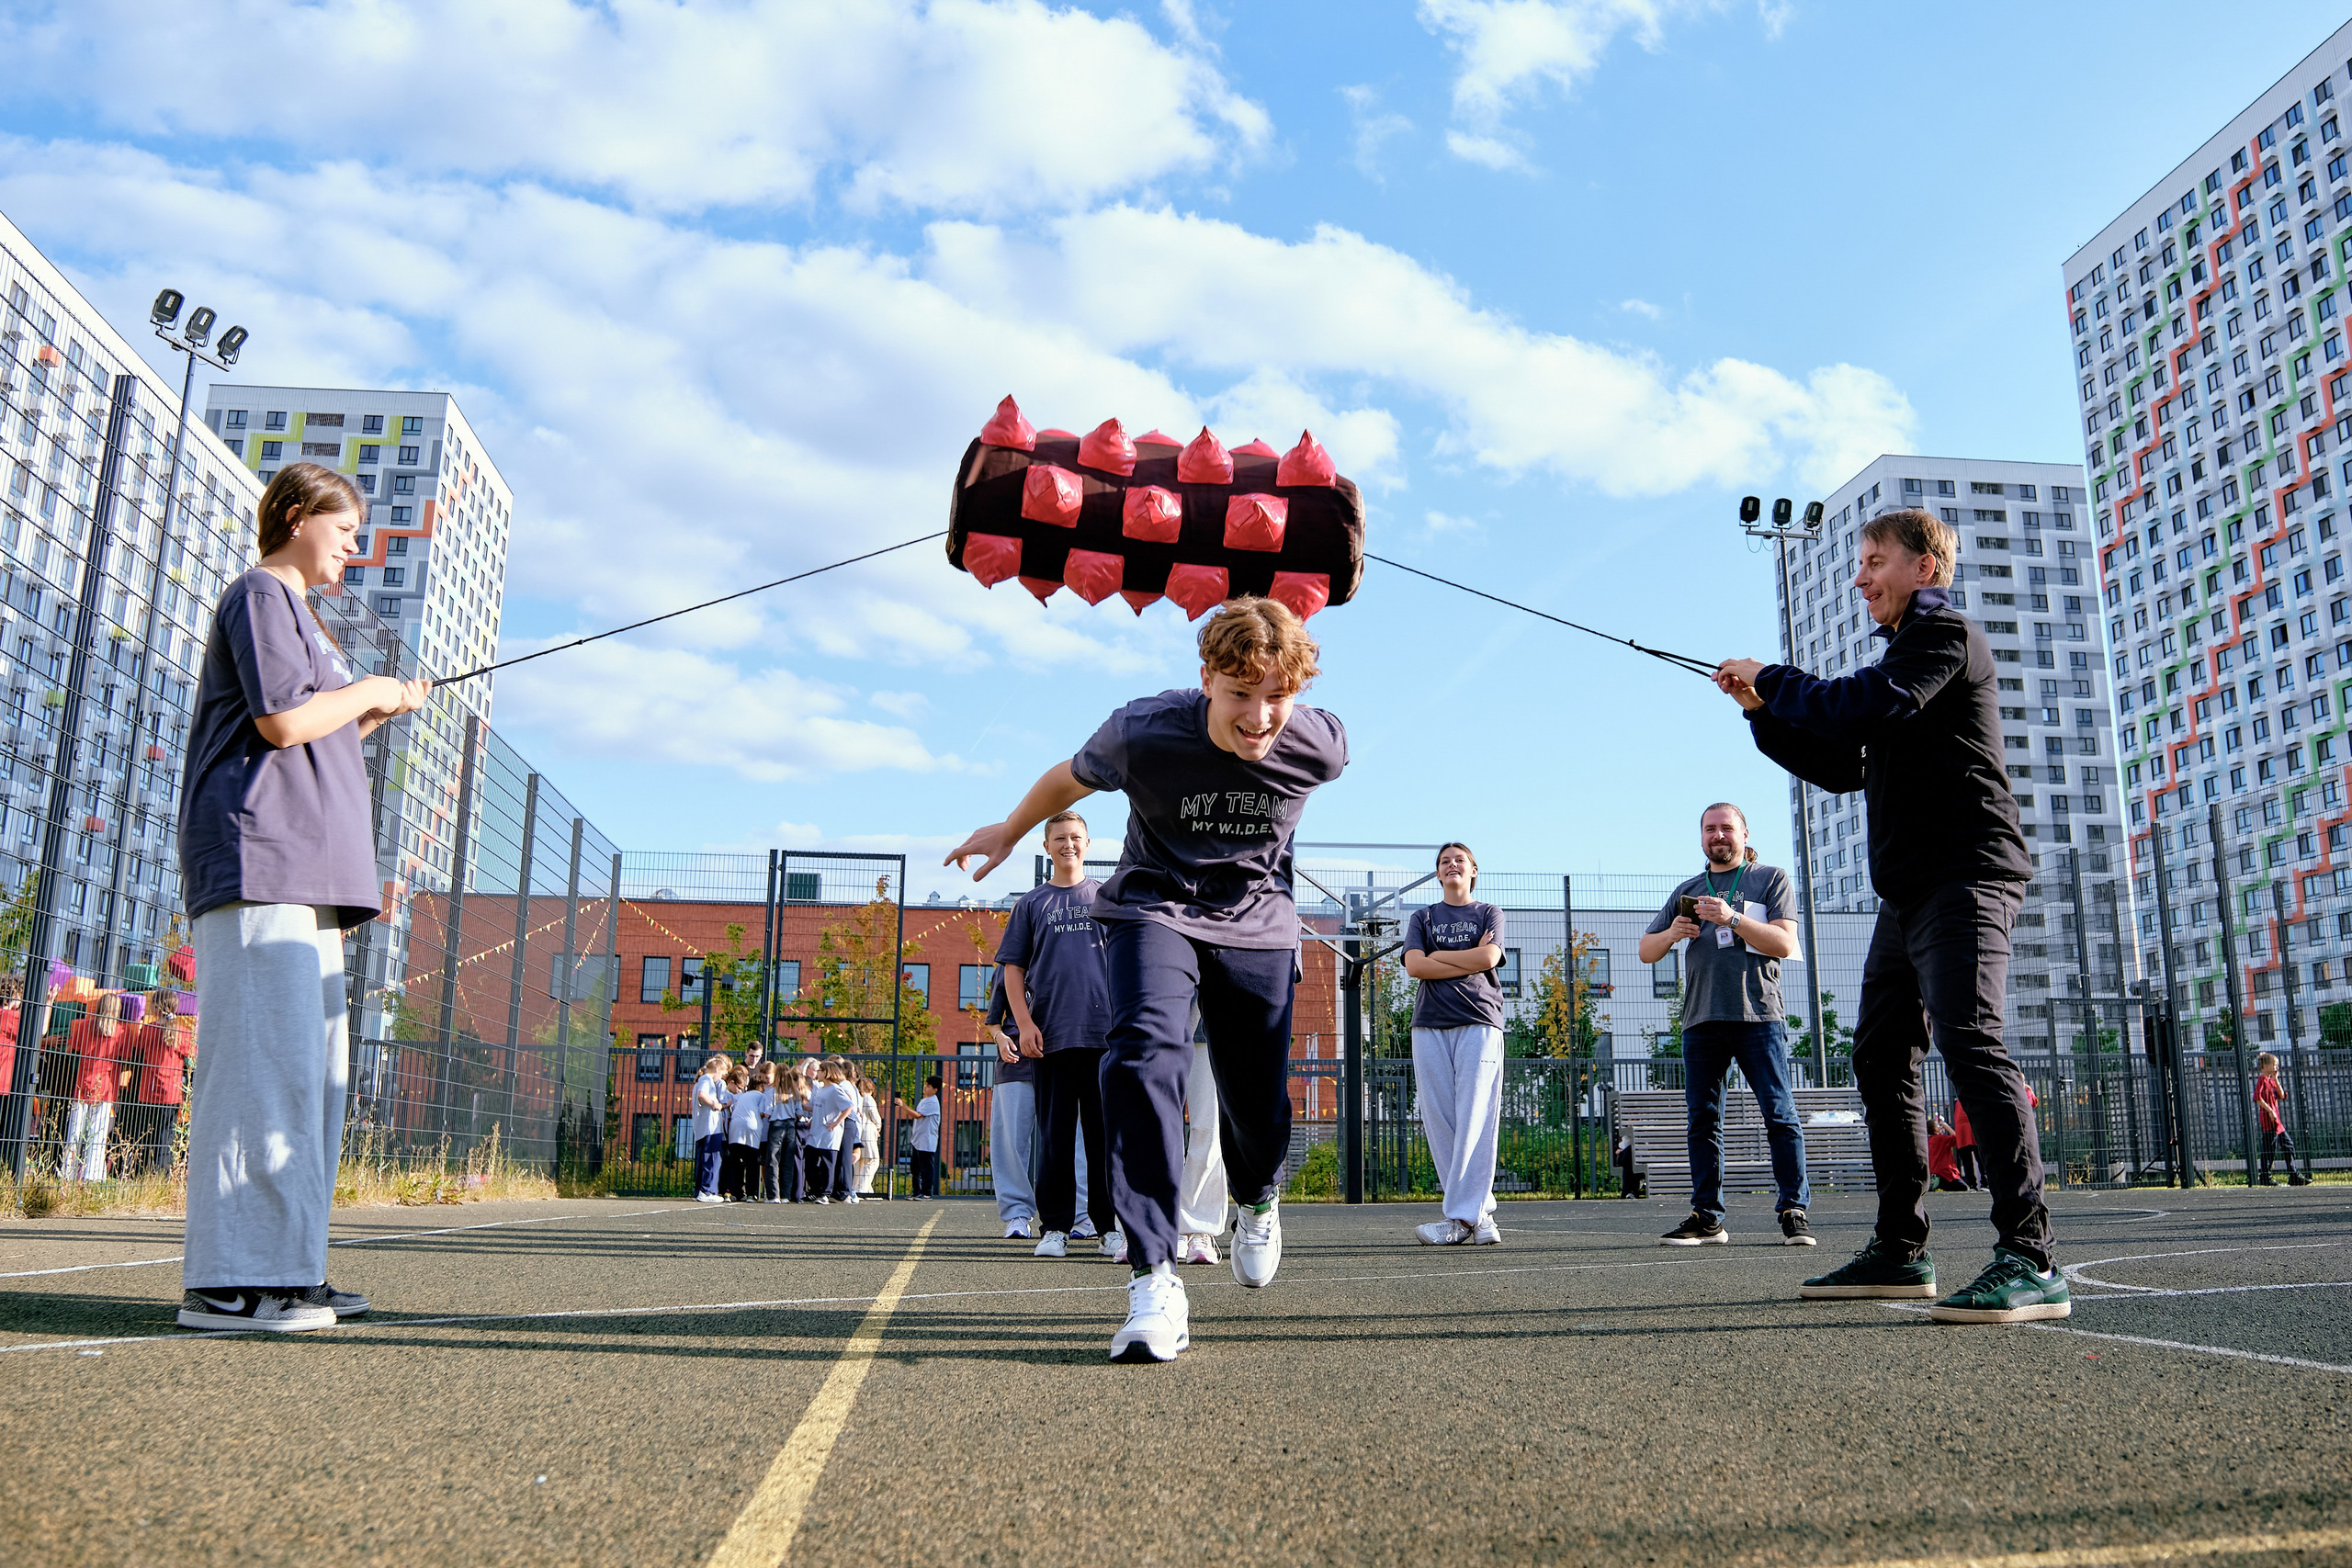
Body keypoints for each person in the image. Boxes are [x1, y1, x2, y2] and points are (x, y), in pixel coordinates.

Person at [947, 596, 1348, 1362]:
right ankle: (1154, 1274)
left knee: (1255, 1100)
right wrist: (1009, 828)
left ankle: (1257, 1196)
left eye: (1277, 696)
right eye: (1241, 694)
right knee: (1140, 1056)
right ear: (1206, 679)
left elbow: (1295, 700)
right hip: (1153, 909)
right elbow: (1069, 779)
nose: (1260, 716)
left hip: (1256, 924)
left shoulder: (1319, 744)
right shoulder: (1145, 731)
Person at [1717, 505, 2066, 1325]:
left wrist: (1774, 676)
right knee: (1879, 1054)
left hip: (1967, 876)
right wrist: (1760, 710)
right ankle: (1902, 1248)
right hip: (1909, 891)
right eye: (1861, 562)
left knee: (1970, 1041)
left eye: (1875, 560)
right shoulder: (1903, 665)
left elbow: (1853, 706)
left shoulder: (1944, 638)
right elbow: (1842, 762)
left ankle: (2032, 1256)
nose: (1860, 577)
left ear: (1924, 568)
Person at [173, 464, 429, 1334]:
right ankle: (228, 1284)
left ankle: (287, 1270)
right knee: (261, 1073)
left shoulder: (303, 617)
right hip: (260, 862)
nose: (356, 545)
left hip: (304, 874)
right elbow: (283, 722)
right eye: (345, 527)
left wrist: (372, 710)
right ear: (293, 516)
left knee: (310, 1076)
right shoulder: (260, 593)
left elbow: (309, 727)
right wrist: (372, 691)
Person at [1638, 804, 1813, 1247]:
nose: (1718, 836)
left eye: (1727, 828)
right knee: (1702, 1120)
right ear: (1701, 836)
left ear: (1744, 834)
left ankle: (1793, 1210)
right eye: (1710, 829)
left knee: (1779, 1114)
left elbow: (1785, 942)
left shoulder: (1770, 878)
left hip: (1759, 1015)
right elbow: (1646, 951)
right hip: (1701, 1019)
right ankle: (1707, 1217)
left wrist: (1731, 918)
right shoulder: (1688, 890)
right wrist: (1673, 934)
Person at [995, 811, 1123, 1260]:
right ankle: (1054, 1228)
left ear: (1088, 844)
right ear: (1046, 847)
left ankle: (1108, 1228)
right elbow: (1012, 970)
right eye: (1060, 838)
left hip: (1104, 1040)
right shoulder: (1031, 904)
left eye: (1076, 837)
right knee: (1055, 1138)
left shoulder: (1107, 897)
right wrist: (1025, 1024)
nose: (1069, 844)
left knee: (1104, 1139)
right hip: (1049, 1038)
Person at [1404, 842, 1508, 1247]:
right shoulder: (1423, 916)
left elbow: (1489, 959)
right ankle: (1477, 1216)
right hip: (1429, 1023)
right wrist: (1470, 954)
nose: (1452, 865)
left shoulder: (1489, 912)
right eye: (1445, 861)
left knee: (1476, 1118)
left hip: (1479, 1019)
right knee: (1441, 1121)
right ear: (1437, 873)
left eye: (1459, 860)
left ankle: (1462, 1218)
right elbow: (1415, 966)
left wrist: (1439, 958)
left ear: (1473, 871)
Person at [985, 968, 1043, 1239]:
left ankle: (1081, 1214)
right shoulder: (1008, 967)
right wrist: (1000, 1038)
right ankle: (1017, 1213)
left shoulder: (1075, 952)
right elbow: (993, 1020)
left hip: (1065, 1059)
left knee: (1077, 1141)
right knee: (1009, 1144)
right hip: (1016, 1063)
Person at [60, 992, 130, 1183]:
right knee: (97, 1135)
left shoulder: (84, 1025)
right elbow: (126, 1058)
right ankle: (93, 1175)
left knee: (74, 1133)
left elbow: (71, 1049)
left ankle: (67, 1173)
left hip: (82, 1084)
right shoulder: (121, 1031)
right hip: (106, 1086)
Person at [133, 987, 196, 1176]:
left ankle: (142, 1172)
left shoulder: (149, 1029)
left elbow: (138, 1049)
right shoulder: (183, 1032)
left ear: (156, 1007)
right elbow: (192, 1056)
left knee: (146, 1133)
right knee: (167, 1134)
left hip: (148, 1091)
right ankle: (162, 1174)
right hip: (171, 1092)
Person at [807, 1059, 856, 1205]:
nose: (818, 1073)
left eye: (820, 1071)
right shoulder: (821, 1089)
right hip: (815, 1133)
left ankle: (825, 1194)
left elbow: (848, 1106)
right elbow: (819, 1107)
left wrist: (837, 1122)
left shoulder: (835, 1089)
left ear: (827, 1073)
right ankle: (816, 1190)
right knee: (809, 1163)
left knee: (827, 1164)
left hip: (828, 1133)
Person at [2254, 1052, 2308, 1185]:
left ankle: (2294, 1175)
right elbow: (2257, 1098)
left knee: (2288, 1145)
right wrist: (2270, 1111)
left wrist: (2276, 1079)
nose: (2277, 1067)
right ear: (2265, 1066)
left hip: (2277, 1122)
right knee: (2269, 1149)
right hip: (2269, 1121)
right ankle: (2265, 1177)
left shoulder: (2271, 1081)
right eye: (2274, 1064)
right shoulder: (2262, 1079)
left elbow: (2282, 1095)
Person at [724, 1064, 770, 1201]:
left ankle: (734, 1192)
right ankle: (751, 1193)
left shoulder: (743, 1096)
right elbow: (763, 1113)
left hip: (735, 1127)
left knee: (735, 1161)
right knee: (752, 1162)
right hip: (752, 1127)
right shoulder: (762, 1096)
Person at [690, 1054, 732, 1203]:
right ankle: (707, 1190)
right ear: (716, 1069)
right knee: (713, 1158)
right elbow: (702, 1095)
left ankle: (700, 1190)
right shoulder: (706, 1079)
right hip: (710, 1127)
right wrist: (716, 1105)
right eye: (722, 1073)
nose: (722, 1076)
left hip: (703, 1127)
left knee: (705, 1158)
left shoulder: (701, 1080)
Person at [764, 1063, 807, 1202]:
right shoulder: (794, 1092)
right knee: (787, 1161)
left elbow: (767, 1112)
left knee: (773, 1159)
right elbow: (799, 1113)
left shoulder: (772, 1091)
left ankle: (773, 1195)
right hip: (790, 1125)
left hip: (776, 1124)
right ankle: (785, 1195)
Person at [910, 1073, 944, 1198]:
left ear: (935, 1090)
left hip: (927, 1140)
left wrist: (903, 1106)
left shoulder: (932, 1102)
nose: (925, 1087)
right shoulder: (924, 1100)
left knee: (926, 1168)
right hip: (918, 1139)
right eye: (925, 1085)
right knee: (915, 1168)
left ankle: (926, 1193)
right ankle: (917, 1192)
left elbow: (918, 1115)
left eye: (928, 1086)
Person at [853, 1074, 883, 1198]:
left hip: (858, 1131)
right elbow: (875, 1117)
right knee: (872, 1161)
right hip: (868, 1132)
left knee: (859, 1163)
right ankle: (862, 1189)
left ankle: (857, 1188)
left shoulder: (857, 1097)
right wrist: (879, 1124)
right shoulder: (868, 1099)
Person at [1928, 1114, 1966, 1192]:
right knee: (1963, 1187)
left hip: (1934, 1172)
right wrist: (1946, 1126)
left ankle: (1936, 1185)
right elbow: (1957, 1138)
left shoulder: (1928, 1140)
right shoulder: (1942, 1139)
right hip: (1946, 1172)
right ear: (1936, 1129)